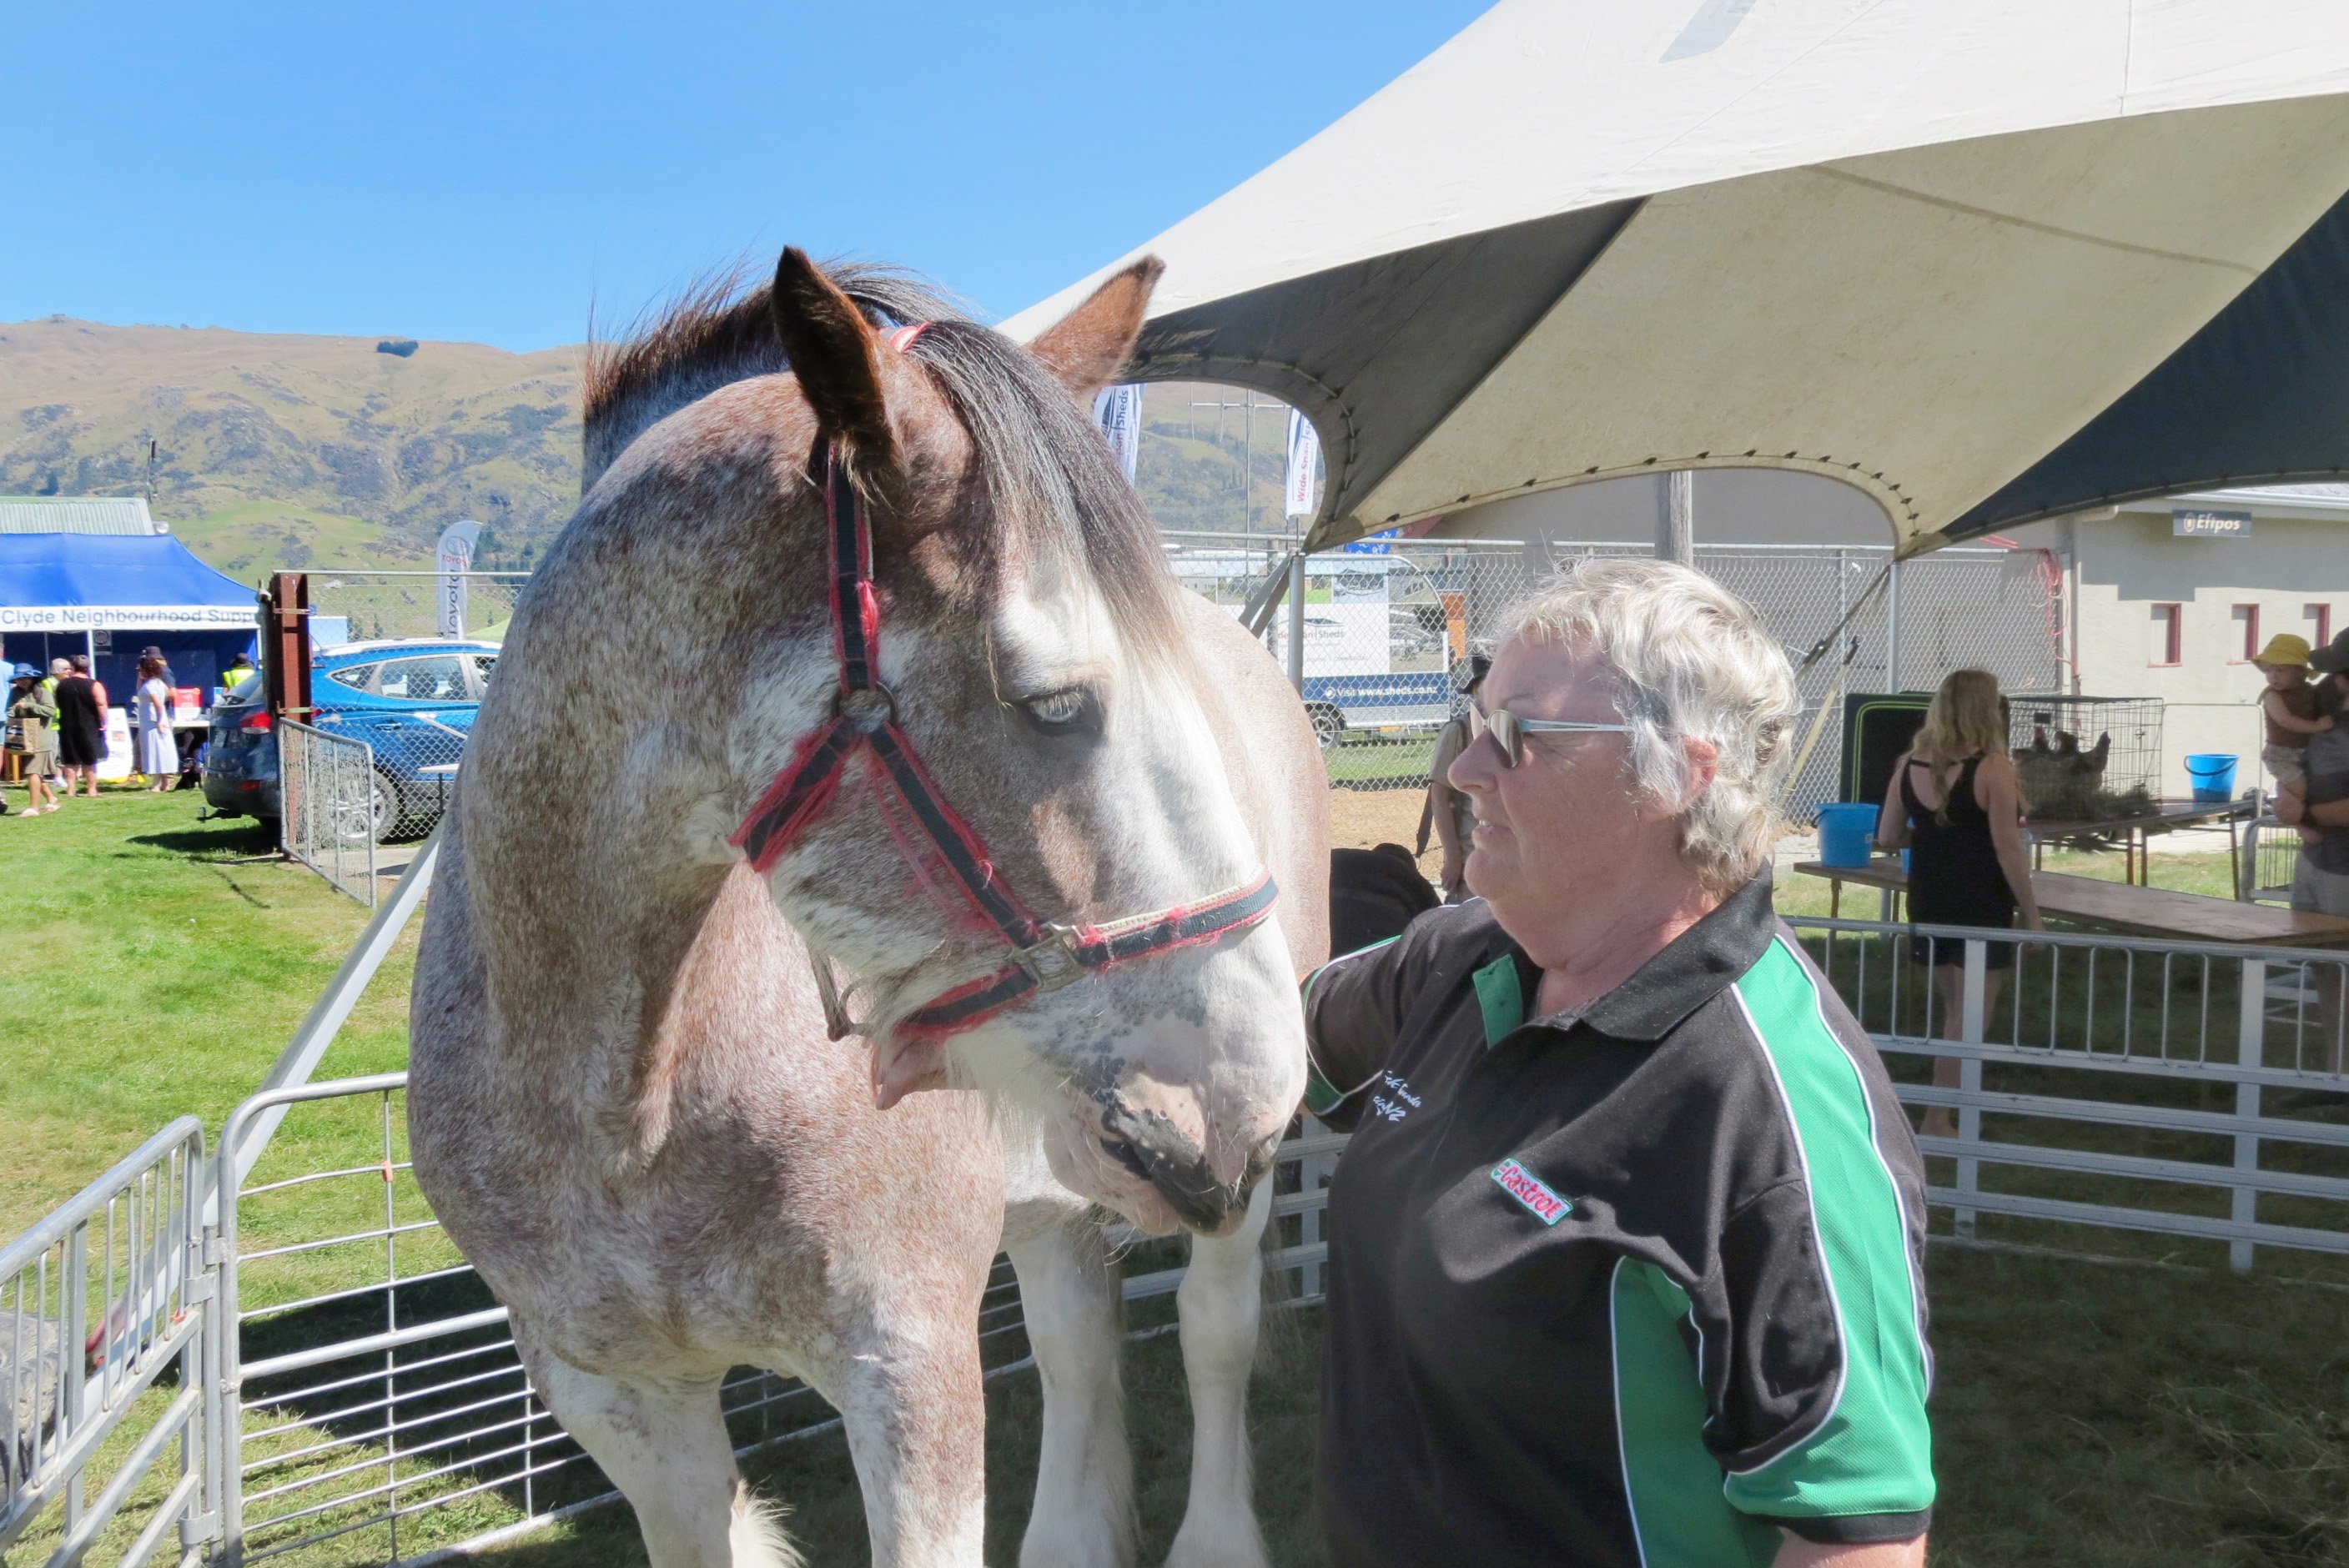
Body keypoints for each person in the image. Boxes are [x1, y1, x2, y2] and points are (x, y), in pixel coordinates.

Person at [1303, 560, 1933, 1568]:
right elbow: (1263, 1049)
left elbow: (1854, 1536)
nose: (1464, 772)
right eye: (1472, 725)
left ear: (1679, 772)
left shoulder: (1764, 1104)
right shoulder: (1460, 954)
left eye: (1521, 736)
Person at [1875, 669, 2043, 1142]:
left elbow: (1887, 836)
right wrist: (2033, 916)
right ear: (1986, 711)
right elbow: (2008, 849)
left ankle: (1940, 1109)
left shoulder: (1910, 763)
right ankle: (1938, 1115)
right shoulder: (1993, 767)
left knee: (1955, 1009)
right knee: (1971, 1017)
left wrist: (1934, 837)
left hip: (1930, 895)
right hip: (1980, 900)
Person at [2276, 630, 2349, 1068]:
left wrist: (2303, 817)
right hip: (2318, 861)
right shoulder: (2328, 714)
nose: (2334, 679)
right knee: (2326, 970)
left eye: (2339, 671)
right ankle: (2336, 1072)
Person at [1416, 652, 1490, 900]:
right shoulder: (1458, 731)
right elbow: (1439, 796)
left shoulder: (1514, 729)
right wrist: (1453, 856)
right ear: (1477, 691)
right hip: (1471, 854)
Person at [2251, 632, 2331, 843]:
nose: (2272, 676)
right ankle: (2298, 824)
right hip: (2281, 755)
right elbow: (2286, 720)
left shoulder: (2310, 691)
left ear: (2300, 672)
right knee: (2304, 790)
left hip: (2305, 752)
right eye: (2268, 670)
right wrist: (2316, 727)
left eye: (2280, 670)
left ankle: (2289, 798)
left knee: (2312, 787)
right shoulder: (2272, 696)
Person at [9, 664, 61, 815]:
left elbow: (50, 710)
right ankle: (52, 799)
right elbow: (11, 710)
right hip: (24, 738)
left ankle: (33, 807)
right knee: (33, 773)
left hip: (42, 737)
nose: (22, 681)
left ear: (32, 678)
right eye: (19, 679)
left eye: (26, 678)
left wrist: (29, 706)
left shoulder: (43, 692)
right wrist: (16, 710)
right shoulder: (15, 693)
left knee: (32, 771)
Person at [53, 654, 107, 797]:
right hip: (89, 726)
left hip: (67, 726)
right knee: (89, 759)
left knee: (70, 759)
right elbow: (101, 704)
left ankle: (71, 789)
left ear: (72, 667)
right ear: (88, 668)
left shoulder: (61, 685)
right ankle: (92, 790)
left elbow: (58, 703)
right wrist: (103, 721)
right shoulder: (95, 685)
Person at [133, 656, 177, 792]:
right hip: (156, 719)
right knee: (161, 750)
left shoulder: (151, 686)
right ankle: (164, 782)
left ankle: (156, 785)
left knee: (156, 751)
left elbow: (158, 705)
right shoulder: (159, 683)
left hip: (153, 721)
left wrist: (158, 721)